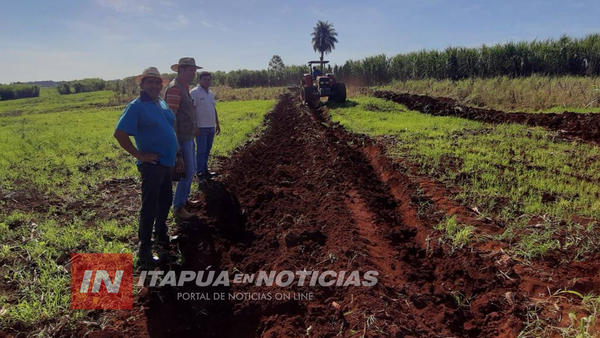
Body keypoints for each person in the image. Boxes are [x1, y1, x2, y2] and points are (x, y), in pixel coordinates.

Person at [113, 67, 179, 264]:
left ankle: (161, 234)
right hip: (152, 165)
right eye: (149, 82)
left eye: (156, 82)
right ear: (142, 85)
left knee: (166, 200)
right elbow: (120, 133)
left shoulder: (161, 102)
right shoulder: (136, 106)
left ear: (161, 85)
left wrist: (179, 153)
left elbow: (170, 128)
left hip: (168, 161)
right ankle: (145, 251)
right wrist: (139, 154)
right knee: (149, 206)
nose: (153, 85)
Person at [165, 57, 202, 220]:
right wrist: (176, 145)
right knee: (187, 173)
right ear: (180, 70)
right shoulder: (175, 89)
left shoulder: (185, 87)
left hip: (188, 135)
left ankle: (184, 201)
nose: (193, 74)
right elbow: (171, 117)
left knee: (191, 170)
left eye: (194, 71)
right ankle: (178, 207)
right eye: (190, 70)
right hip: (181, 138)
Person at [190, 71, 220, 183]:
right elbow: (192, 111)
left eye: (209, 79)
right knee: (201, 150)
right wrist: (195, 126)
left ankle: (205, 170)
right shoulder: (194, 92)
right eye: (204, 79)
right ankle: (200, 173)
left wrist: (217, 124)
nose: (207, 81)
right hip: (201, 127)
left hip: (210, 126)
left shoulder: (210, 93)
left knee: (207, 150)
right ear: (200, 80)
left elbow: (214, 109)